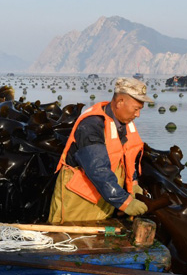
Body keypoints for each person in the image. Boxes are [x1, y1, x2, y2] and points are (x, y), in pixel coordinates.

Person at [48, 77, 153, 223]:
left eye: (140, 110)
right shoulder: (91, 125)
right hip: (77, 203)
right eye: (136, 109)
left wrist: (134, 186)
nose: (138, 115)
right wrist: (126, 202)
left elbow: (129, 159)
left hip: (105, 201)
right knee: (66, 242)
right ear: (120, 102)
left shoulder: (126, 124)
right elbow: (98, 170)